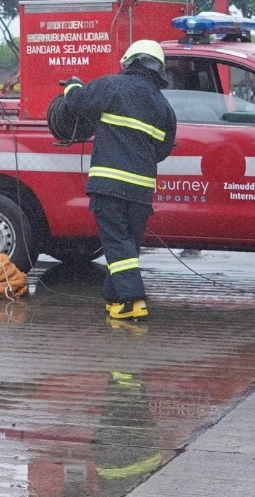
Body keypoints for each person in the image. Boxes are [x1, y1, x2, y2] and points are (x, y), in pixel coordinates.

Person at [48, 36, 179, 323]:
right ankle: (115, 298)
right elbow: (163, 150)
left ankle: (133, 301)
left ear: (130, 62)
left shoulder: (112, 85)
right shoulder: (164, 108)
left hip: (109, 184)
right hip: (142, 190)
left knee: (117, 244)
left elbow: (79, 103)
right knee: (127, 245)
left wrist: (72, 86)